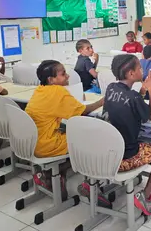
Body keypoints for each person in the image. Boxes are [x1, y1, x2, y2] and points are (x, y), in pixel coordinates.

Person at [25, 60, 105, 202]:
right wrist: (101, 102)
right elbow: (81, 112)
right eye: (63, 74)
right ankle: (90, 183)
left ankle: (51, 174)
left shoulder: (40, 90)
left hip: (32, 141)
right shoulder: (57, 91)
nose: (67, 76)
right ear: (51, 80)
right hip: (46, 144)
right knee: (89, 141)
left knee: (70, 131)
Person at [102, 54, 151, 216]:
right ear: (131, 74)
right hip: (126, 155)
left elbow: (131, 100)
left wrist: (143, 90)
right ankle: (145, 195)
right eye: (139, 68)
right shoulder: (132, 97)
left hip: (107, 151)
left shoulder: (111, 87)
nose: (142, 70)